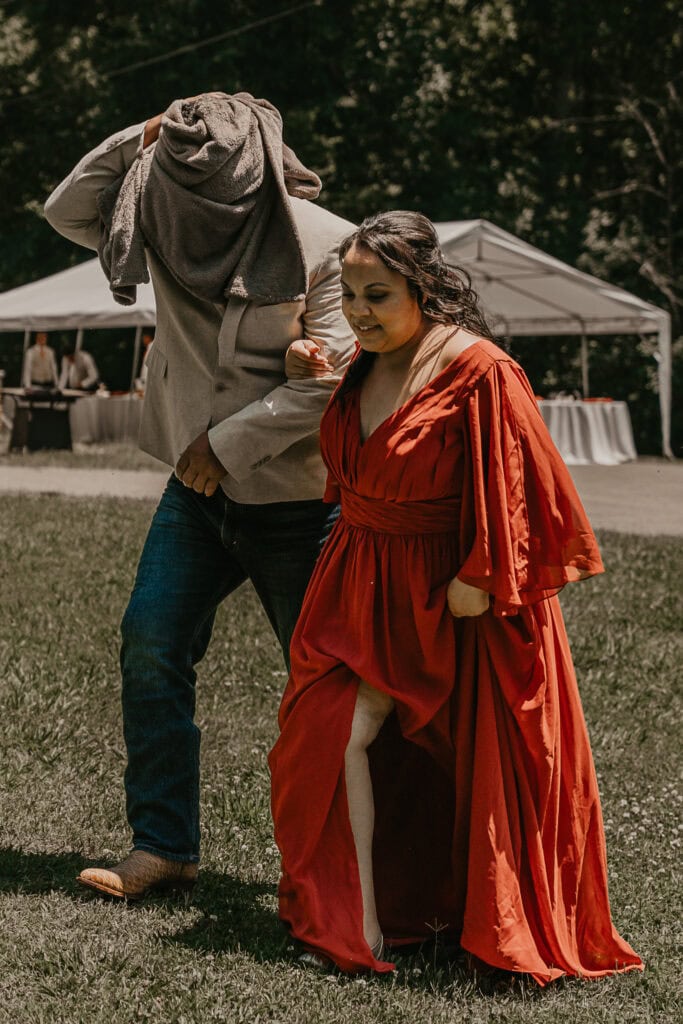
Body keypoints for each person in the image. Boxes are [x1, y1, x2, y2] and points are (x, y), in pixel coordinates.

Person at [269, 211, 643, 984]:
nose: (359, 311)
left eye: (377, 293)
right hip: (357, 588)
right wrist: (312, 368)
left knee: (474, 762)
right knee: (321, 736)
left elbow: (526, 488)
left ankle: (455, 917)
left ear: (426, 287)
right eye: (347, 294)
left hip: (461, 597)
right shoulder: (363, 364)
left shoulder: (480, 368)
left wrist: (479, 576)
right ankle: (358, 923)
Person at [44, 91, 355, 899]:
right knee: (150, 642)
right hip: (196, 499)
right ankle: (164, 846)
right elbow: (67, 207)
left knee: (322, 683)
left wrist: (224, 443)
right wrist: (143, 134)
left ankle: (339, 870)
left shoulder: (332, 245)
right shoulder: (166, 224)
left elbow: (335, 385)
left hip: (301, 504)